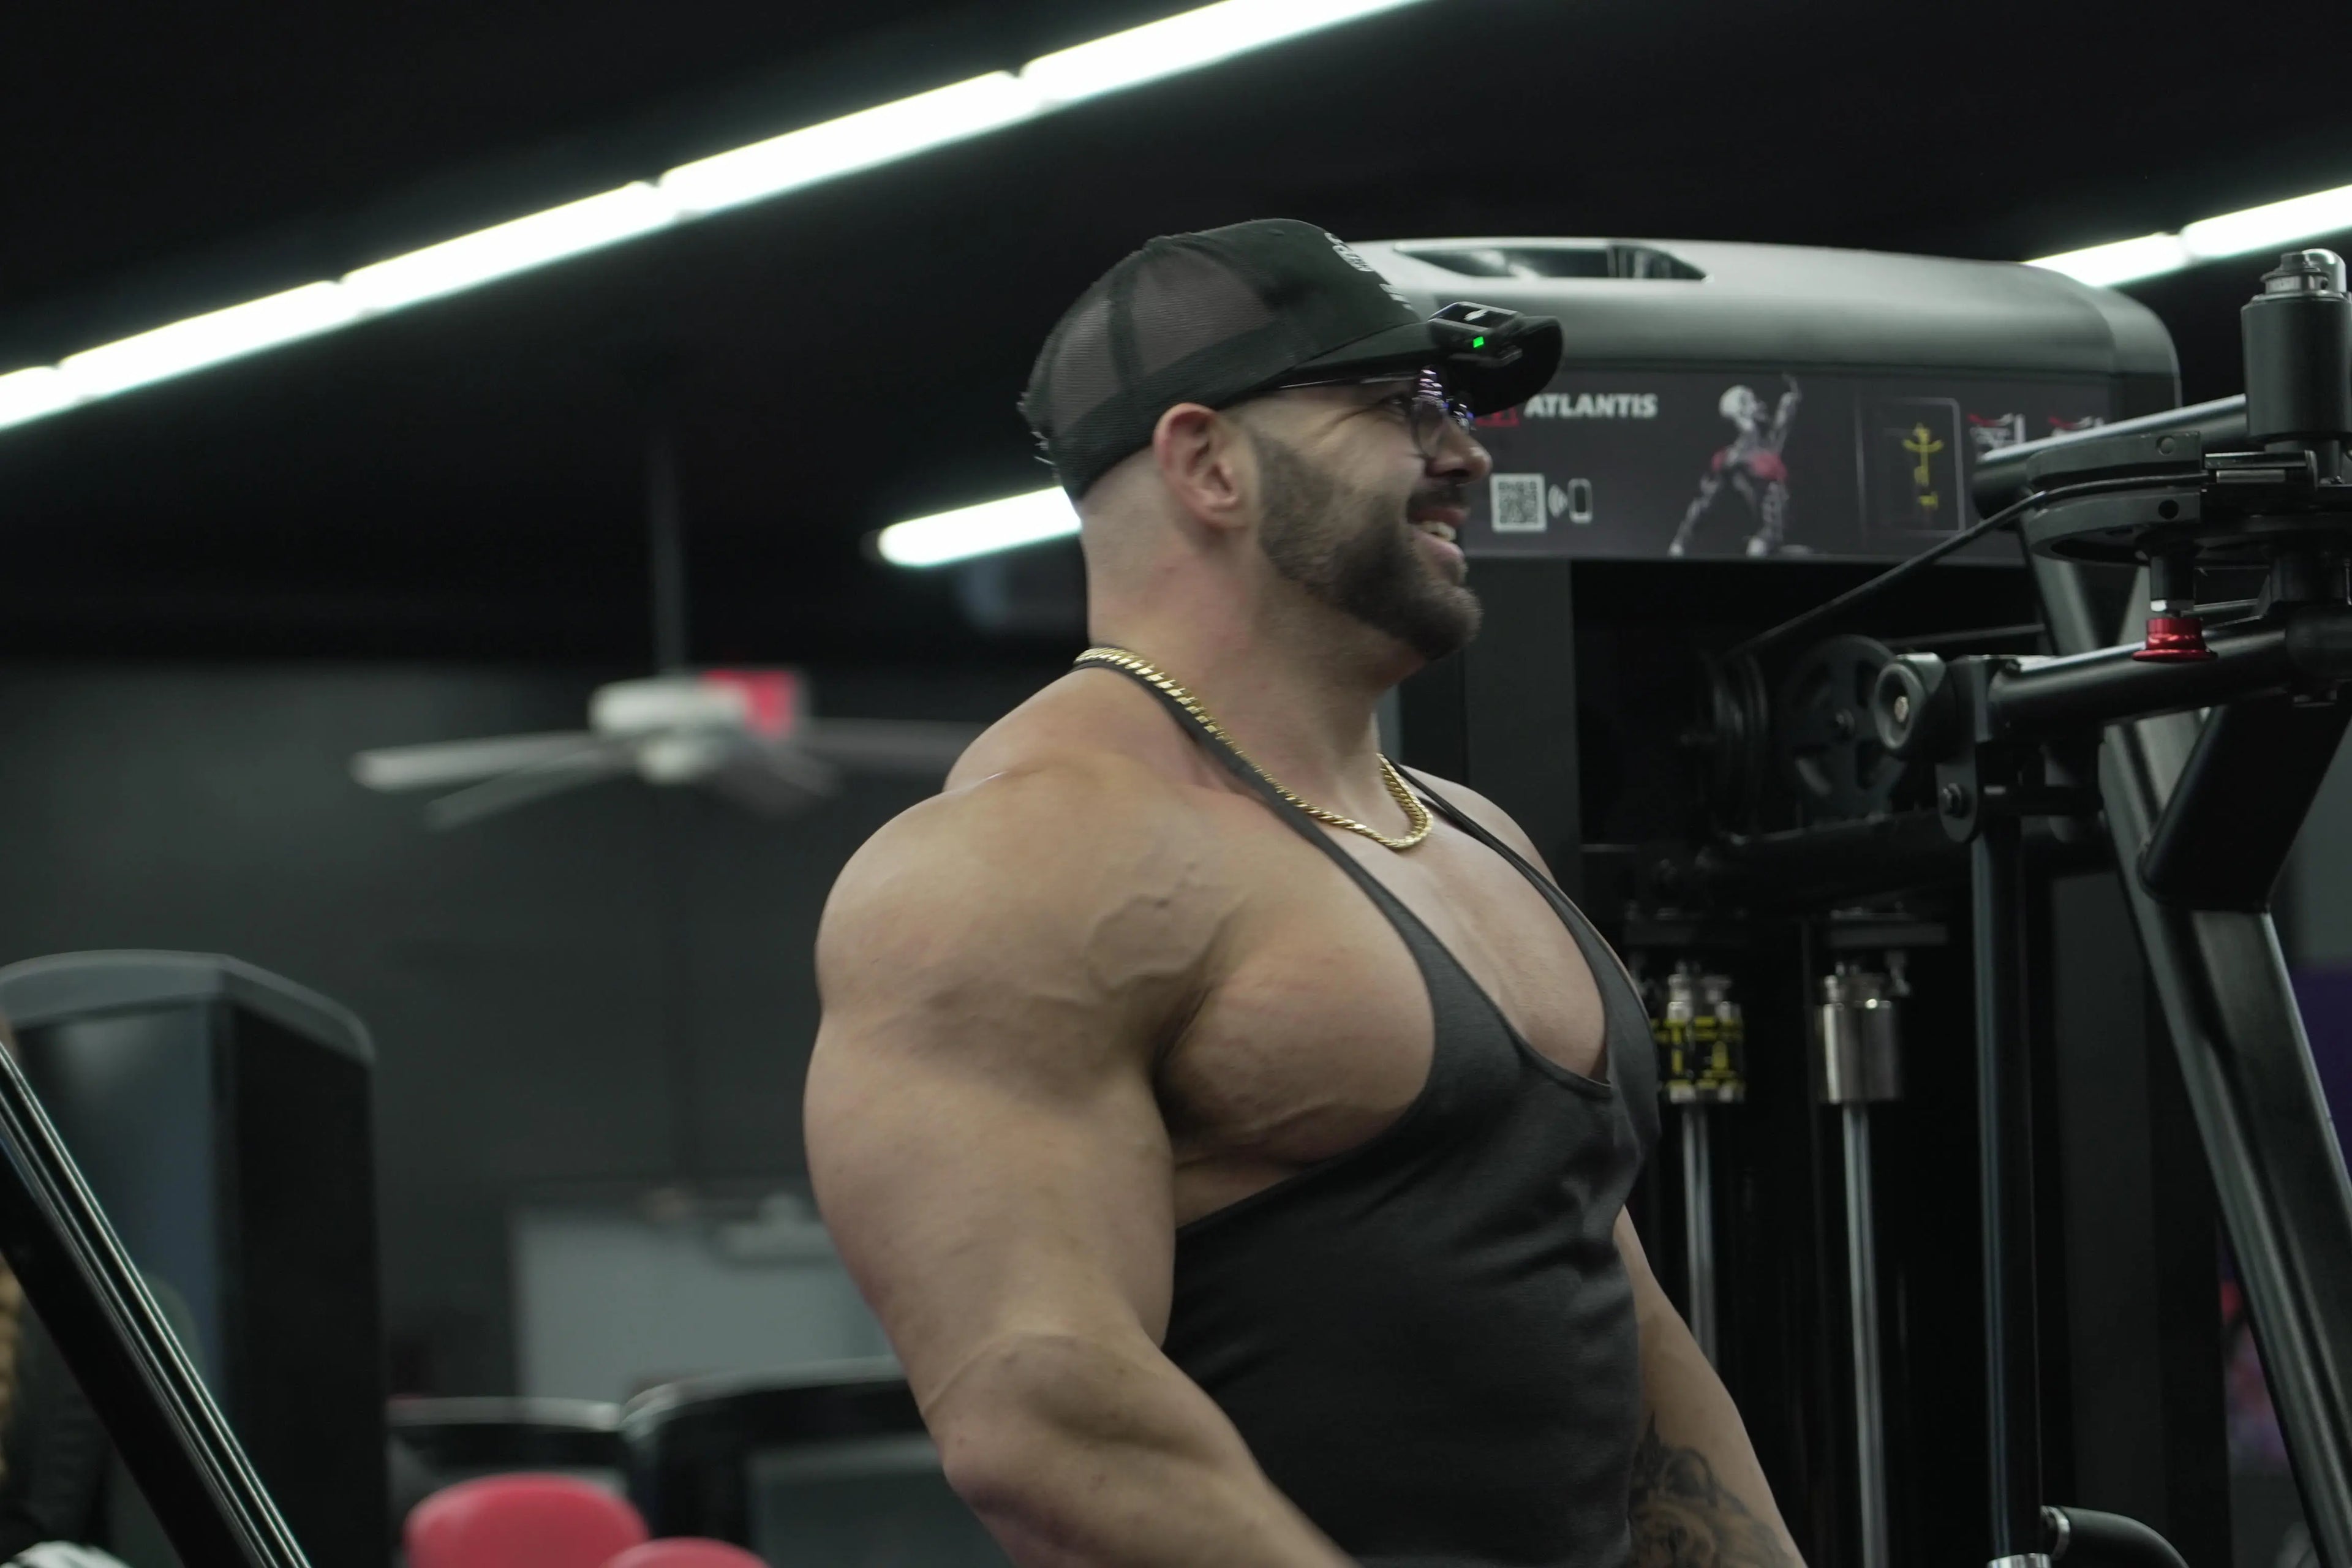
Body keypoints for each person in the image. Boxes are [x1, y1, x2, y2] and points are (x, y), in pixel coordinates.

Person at [807, 219, 1804, 1567]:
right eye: (1399, 408)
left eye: (1454, 410)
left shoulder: (1467, 831)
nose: (1464, 454)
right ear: (1208, 462)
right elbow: (1047, 1416)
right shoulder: (1017, 861)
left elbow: (1612, 1307)